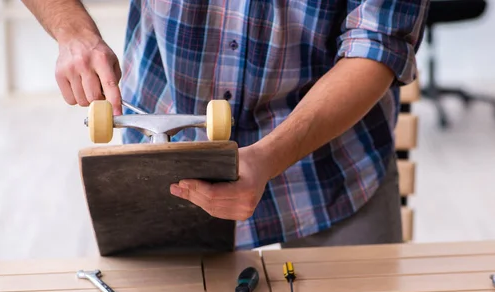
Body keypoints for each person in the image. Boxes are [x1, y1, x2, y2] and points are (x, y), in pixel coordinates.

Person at [22, 0, 429, 250]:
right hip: (169, 164)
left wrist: (268, 157)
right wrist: (73, 32)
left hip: (334, 167)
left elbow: (376, 44)